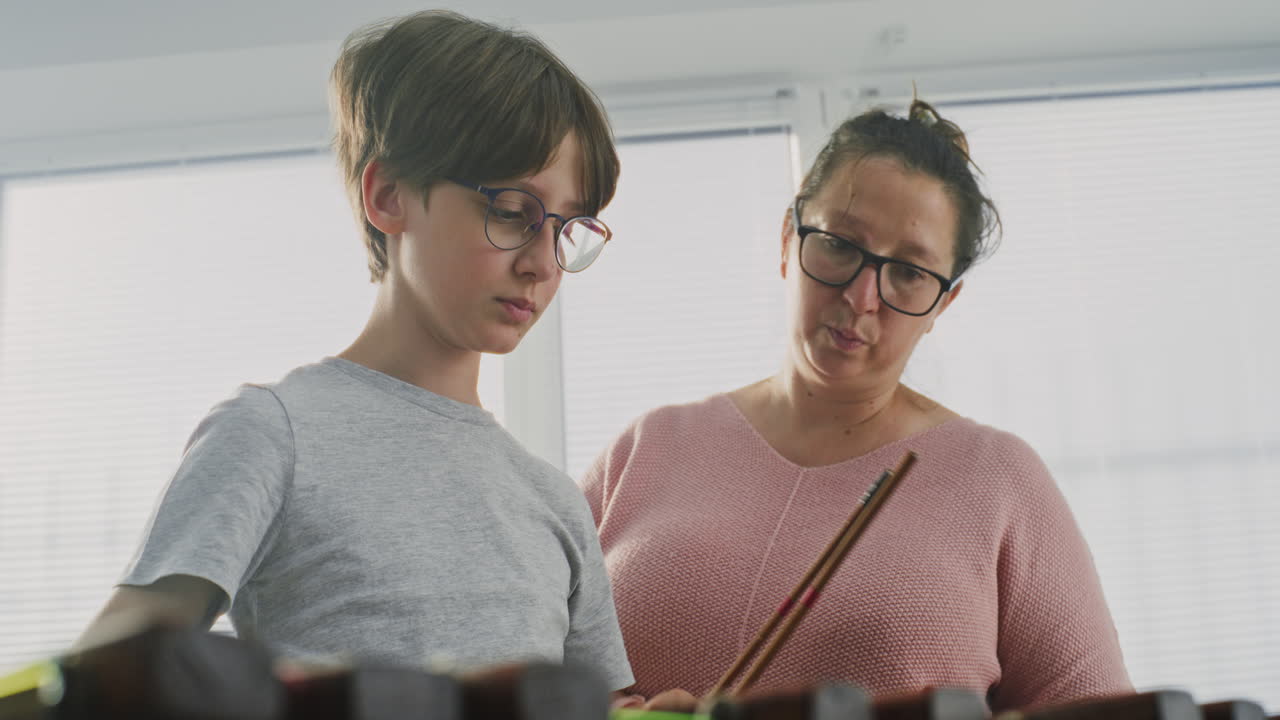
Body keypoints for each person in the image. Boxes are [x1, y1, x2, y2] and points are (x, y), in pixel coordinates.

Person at [79, 9, 632, 691]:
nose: (543, 263)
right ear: (390, 195)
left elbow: (600, 705)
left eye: (567, 228)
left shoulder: (555, 502)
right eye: (514, 212)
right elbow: (107, 672)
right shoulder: (273, 432)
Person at [581, 100, 1132, 711]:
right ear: (789, 240)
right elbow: (523, 674)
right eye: (841, 245)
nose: (862, 296)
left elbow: (1099, 709)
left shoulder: (999, 479)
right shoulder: (648, 448)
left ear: (942, 306)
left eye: (909, 274)